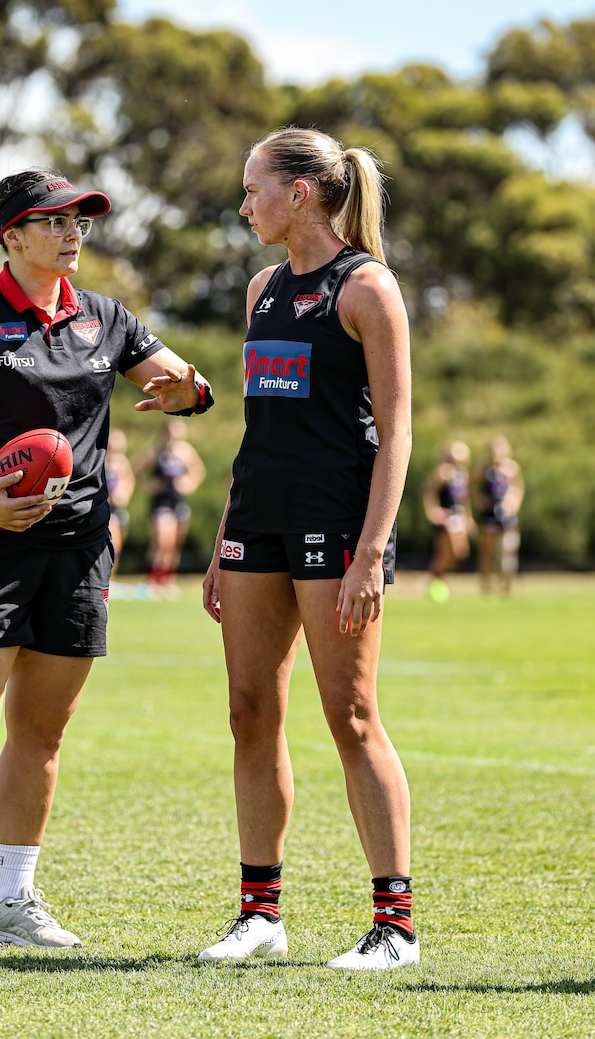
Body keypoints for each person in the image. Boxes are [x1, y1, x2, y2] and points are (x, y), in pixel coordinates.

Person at [0, 167, 214, 959]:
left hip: (80, 546)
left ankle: (10, 897)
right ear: (10, 233)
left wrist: (188, 393)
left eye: (79, 221)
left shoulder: (108, 318)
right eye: (54, 221)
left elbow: (181, 383)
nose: (72, 233)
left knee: (43, 731)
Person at [198, 127, 417, 971]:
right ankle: (260, 914)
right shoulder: (260, 288)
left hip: (339, 529)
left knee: (352, 717)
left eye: (253, 186)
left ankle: (395, 927)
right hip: (259, 522)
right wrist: (225, 536)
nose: (243, 201)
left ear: (303, 193)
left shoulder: (367, 289)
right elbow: (261, 426)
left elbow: (396, 435)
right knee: (250, 713)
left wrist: (370, 553)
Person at [133, 419, 206, 596]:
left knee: (174, 544)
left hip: (179, 501)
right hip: (161, 502)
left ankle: (168, 581)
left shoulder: (186, 451)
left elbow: (199, 470)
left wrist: (189, 483)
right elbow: (135, 468)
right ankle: (153, 580)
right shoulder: (157, 451)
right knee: (162, 541)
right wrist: (149, 486)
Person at [422, 440, 474, 602]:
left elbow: (464, 499)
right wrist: (433, 511)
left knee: (460, 552)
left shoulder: (463, 473)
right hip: (447, 519)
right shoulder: (443, 471)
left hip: (459, 518)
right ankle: (435, 583)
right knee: (445, 552)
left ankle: (439, 579)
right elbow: (428, 491)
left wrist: (468, 517)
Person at [473, 437, 525, 595]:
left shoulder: (512, 468)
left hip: (507, 516)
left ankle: (506, 587)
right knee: (487, 553)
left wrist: (514, 504)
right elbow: (470, 487)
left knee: (508, 551)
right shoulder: (484, 470)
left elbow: (519, 487)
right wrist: (480, 501)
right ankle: (486, 587)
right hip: (489, 515)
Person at [104, 427, 135, 587]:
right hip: (105, 507)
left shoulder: (123, 462)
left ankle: (112, 578)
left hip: (118, 507)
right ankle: (107, 579)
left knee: (118, 544)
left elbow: (129, 481)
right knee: (111, 542)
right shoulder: (102, 460)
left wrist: (125, 494)